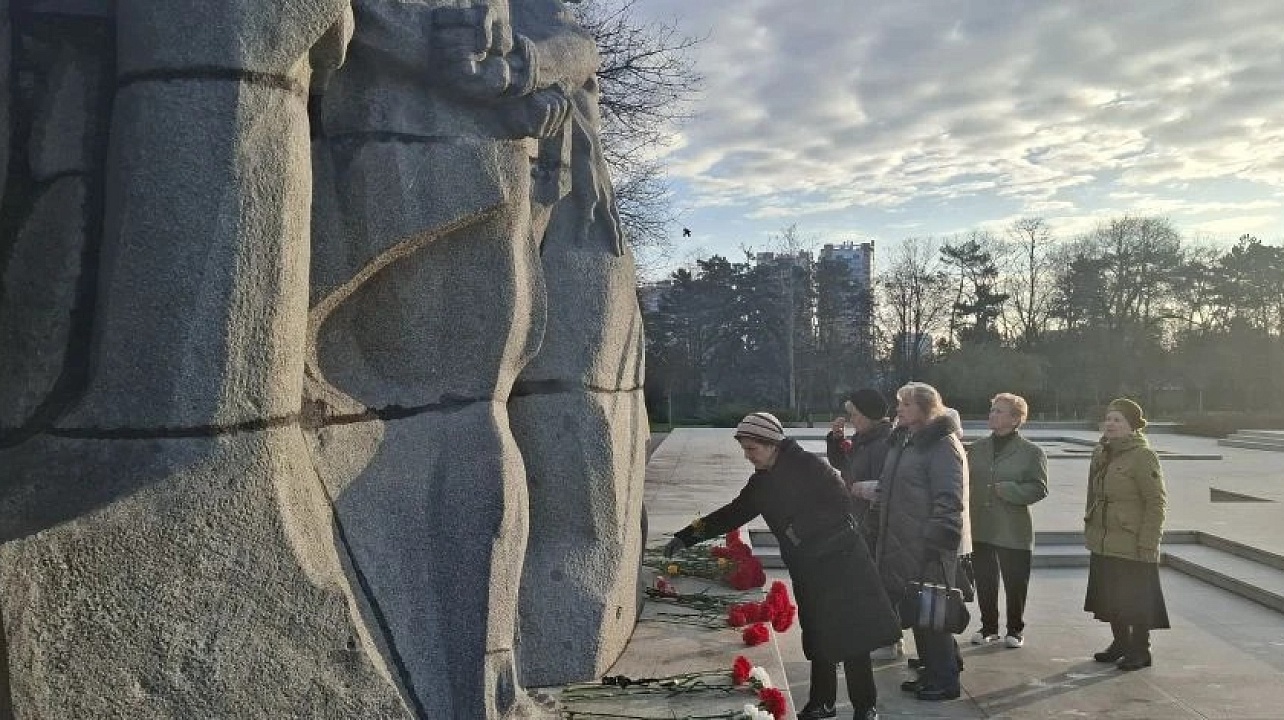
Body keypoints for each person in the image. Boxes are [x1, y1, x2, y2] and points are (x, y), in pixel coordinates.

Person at [664, 412, 900, 720]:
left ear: (772, 443)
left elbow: (841, 503)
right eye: (745, 450)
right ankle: (822, 702)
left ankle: (865, 707)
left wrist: (795, 531)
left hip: (843, 564)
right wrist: (686, 537)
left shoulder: (810, 467)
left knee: (853, 637)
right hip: (809, 569)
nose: (748, 457)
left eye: (753, 449)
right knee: (818, 635)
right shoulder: (761, 484)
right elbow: (731, 513)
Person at [874, 383, 967, 702]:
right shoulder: (904, 441)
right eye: (899, 402)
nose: (898, 408)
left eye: (906, 404)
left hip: (927, 545)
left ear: (926, 409)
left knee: (934, 613)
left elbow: (949, 499)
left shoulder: (941, 445)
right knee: (917, 609)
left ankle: (946, 680)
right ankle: (932, 670)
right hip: (900, 541)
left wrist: (937, 543)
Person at [1083, 398, 1169, 671]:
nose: (1110, 423)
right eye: (1108, 418)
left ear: (1132, 426)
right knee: (1109, 596)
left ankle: (1140, 650)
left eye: (1118, 419)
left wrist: (1149, 542)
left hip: (1131, 541)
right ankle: (1120, 643)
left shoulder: (1143, 456)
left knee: (1135, 599)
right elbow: (1092, 495)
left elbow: (1156, 501)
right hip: (1104, 538)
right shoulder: (1102, 452)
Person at [966, 393, 1048, 649]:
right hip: (981, 525)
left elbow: (1039, 488)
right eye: (992, 410)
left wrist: (1012, 490)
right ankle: (988, 626)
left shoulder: (1031, 452)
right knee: (985, 579)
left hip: (1012, 528)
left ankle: (1015, 629)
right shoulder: (976, 448)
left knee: (1015, 581)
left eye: (999, 411)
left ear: (1016, 419)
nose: (992, 415)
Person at [826, 388, 898, 661]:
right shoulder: (864, 438)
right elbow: (844, 465)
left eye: (855, 414)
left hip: (874, 521)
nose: (851, 419)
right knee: (867, 581)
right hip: (860, 516)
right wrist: (836, 441)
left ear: (870, 415)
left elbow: (885, 485)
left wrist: (863, 496)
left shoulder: (883, 443)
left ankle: (888, 639)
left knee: (879, 582)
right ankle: (880, 635)